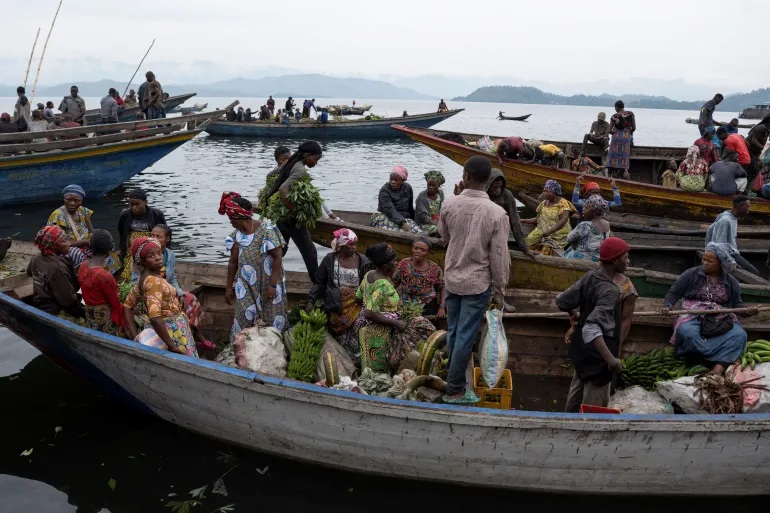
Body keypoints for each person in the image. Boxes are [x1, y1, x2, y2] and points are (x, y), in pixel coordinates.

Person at [438, 156, 510, 404]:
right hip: (477, 283)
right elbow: (499, 258)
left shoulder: (449, 204)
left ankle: (453, 381)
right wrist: (500, 290)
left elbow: (443, 235)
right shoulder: (497, 213)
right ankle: (455, 389)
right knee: (465, 335)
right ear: (489, 181)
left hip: (453, 278)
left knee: (455, 331)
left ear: (466, 177)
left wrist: (456, 197)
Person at [557, 237, 632, 410]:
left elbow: (562, 301)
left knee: (573, 405)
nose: (628, 261)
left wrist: (574, 317)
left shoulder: (591, 276)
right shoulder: (611, 291)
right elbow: (592, 328)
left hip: (581, 352)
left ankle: (566, 429)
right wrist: (611, 360)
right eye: (626, 257)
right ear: (614, 260)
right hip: (598, 359)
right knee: (593, 413)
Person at [661, 243, 758, 375]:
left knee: (739, 336)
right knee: (686, 332)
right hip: (693, 315)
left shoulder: (731, 282)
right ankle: (701, 361)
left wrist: (748, 312)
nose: (705, 263)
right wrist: (667, 306)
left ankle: (719, 367)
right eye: (704, 259)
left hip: (720, 318)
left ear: (721, 262)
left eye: (710, 261)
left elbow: (737, 306)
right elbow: (674, 292)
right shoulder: (691, 274)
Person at [220, 192, 288, 340]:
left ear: (240, 216)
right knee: (243, 316)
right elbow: (233, 262)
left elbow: (278, 257)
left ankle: (277, 348)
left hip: (268, 280)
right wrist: (228, 287)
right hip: (245, 283)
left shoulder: (266, 231)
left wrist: (273, 284)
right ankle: (240, 348)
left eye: (231, 218)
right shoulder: (236, 235)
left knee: (272, 318)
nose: (231, 222)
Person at [123, 237, 198, 356]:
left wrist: (135, 337)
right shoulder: (154, 282)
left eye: (159, 253)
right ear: (142, 261)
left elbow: (127, 305)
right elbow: (155, 317)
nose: (158, 257)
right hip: (171, 332)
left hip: (160, 333)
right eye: (151, 256)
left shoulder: (143, 279)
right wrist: (172, 346)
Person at [147, 224, 215, 352]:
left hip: (169, 290)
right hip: (154, 293)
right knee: (177, 309)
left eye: (159, 236)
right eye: (152, 235)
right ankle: (186, 337)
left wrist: (179, 292)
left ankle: (197, 334)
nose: (154, 239)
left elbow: (172, 278)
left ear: (167, 239)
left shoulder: (170, 255)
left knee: (190, 298)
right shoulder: (146, 255)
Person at [261, 141, 323, 281]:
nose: (316, 162)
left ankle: (264, 275)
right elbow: (283, 189)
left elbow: (270, 176)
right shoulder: (300, 169)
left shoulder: (290, 163)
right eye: (316, 159)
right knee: (310, 252)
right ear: (307, 155)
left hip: (281, 218)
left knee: (280, 249)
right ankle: (318, 286)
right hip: (291, 219)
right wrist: (294, 211)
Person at [308, 228, 369, 355]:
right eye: (350, 245)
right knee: (338, 330)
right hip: (337, 303)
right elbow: (320, 282)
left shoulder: (362, 261)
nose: (354, 247)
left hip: (357, 302)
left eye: (355, 244)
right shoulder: (330, 260)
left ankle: (356, 357)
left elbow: (368, 284)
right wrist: (311, 300)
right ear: (341, 246)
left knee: (358, 328)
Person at [353, 243, 405, 372]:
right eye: (394, 260)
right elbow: (369, 313)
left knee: (371, 369)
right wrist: (395, 322)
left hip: (363, 325)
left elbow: (358, 298)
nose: (397, 263)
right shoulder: (382, 284)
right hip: (378, 330)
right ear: (385, 265)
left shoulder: (369, 274)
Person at [27, 226, 85, 323]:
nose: (68, 244)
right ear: (53, 246)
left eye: (67, 239)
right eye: (63, 241)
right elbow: (68, 301)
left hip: (40, 304)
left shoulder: (36, 258)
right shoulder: (58, 269)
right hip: (55, 311)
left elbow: (29, 272)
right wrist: (83, 313)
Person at [78, 230, 125, 336]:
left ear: (90, 246)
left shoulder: (83, 266)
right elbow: (116, 305)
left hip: (90, 318)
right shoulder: (104, 276)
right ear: (109, 249)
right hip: (105, 321)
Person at [117, 189, 167, 283]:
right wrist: (122, 249)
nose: (134, 207)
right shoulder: (125, 215)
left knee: (158, 274)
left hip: (152, 250)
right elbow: (122, 233)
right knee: (128, 274)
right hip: (132, 251)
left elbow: (164, 233)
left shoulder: (156, 214)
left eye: (137, 204)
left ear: (145, 202)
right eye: (131, 205)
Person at [47, 184, 100, 272]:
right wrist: (85, 242)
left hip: (84, 245)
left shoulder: (83, 211)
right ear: (64, 199)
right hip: (65, 248)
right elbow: (60, 243)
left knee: (104, 245)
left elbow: (91, 231)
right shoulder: (58, 215)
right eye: (68, 200)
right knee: (77, 254)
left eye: (76, 200)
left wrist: (93, 240)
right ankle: (81, 277)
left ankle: (105, 274)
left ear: (81, 201)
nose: (72, 203)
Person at [705, 196, 759, 275]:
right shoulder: (725, 221)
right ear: (739, 206)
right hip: (728, 254)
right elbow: (720, 245)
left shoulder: (733, 218)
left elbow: (710, 230)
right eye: (747, 207)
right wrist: (731, 261)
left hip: (732, 252)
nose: (749, 209)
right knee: (754, 272)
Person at [392, 238, 446, 317]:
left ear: (428, 253)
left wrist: (442, 307)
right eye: (415, 248)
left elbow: (442, 287)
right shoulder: (403, 264)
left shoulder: (435, 269)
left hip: (428, 306)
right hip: (406, 305)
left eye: (423, 250)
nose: (418, 251)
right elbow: (394, 283)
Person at [485, 168, 531, 255]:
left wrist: (524, 247)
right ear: (488, 184)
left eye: (500, 187)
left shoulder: (507, 195)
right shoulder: (483, 194)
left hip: (499, 231)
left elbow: (515, 221)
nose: (498, 190)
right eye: (495, 187)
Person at [523, 180, 575, 256]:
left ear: (555, 193)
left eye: (547, 191)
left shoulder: (563, 203)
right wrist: (523, 220)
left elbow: (563, 220)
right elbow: (538, 219)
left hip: (557, 234)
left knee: (546, 248)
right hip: (542, 231)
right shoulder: (543, 203)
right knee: (528, 241)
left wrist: (550, 231)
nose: (544, 193)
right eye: (544, 191)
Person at [369, 165, 423, 234]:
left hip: (403, 217)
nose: (393, 182)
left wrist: (417, 221)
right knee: (403, 232)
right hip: (385, 217)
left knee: (419, 232)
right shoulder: (385, 190)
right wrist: (402, 223)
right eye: (391, 179)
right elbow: (390, 210)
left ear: (402, 181)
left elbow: (410, 208)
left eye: (396, 180)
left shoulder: (407, 188)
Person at [565, 195, 612, 261]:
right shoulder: (607, 224)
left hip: (583, 258)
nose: (583, 210)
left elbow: (569, 239)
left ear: (594, 213)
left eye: (586, 208)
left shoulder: (585, 225)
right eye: (584, 207)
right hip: (598, 258)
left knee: (568, 251)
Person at [607, 100, 635, 179]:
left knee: (612, 156)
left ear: (616, 107)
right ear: (623, 106)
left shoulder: (614, 116)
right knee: (624, 157)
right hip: (626, 137)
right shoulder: (630, 114)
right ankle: (619, 176)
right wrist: (628, 133)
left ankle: (609, 176)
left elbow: (609, 130)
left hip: (616, 137)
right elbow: (634, 128)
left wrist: (614, 134)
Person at [415, 170, 445, 235]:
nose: (431, 187)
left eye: (434, 185)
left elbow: (442, 209)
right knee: (439, 229)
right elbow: (423, 217)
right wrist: (437, 223)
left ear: (439, 185)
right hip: (424, 224)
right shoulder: (422, 196)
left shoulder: (440, 193)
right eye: (429, 185)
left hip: (437, 221)